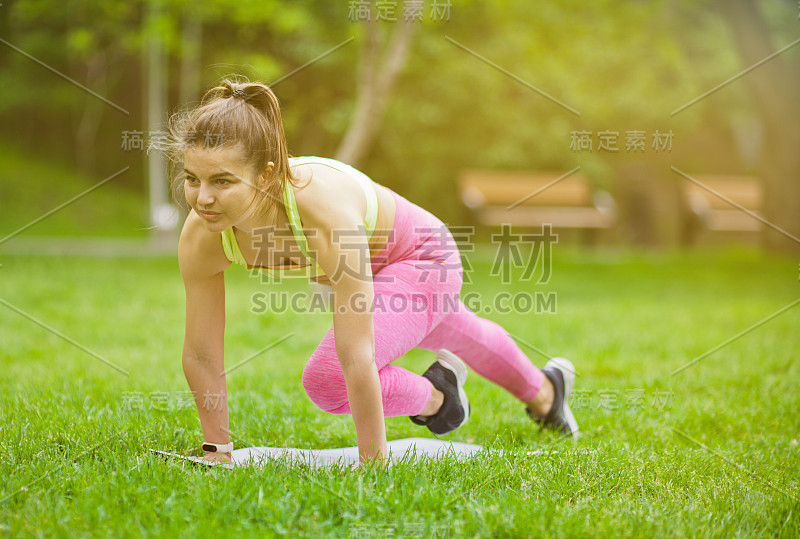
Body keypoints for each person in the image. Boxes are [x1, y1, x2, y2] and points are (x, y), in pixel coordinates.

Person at [168, 78, 578, 467]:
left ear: (267, 174)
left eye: (223, 181)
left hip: (422, 256)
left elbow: (355, 356)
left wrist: (373, 464)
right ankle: (546, 393)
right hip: (378, 268)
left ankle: (439, 397)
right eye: (192, 179)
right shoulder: (202, 237)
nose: (203, 198)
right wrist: (217, 450)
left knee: (328, 379)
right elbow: (202, 354)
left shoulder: (318, 212)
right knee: (455, 329)